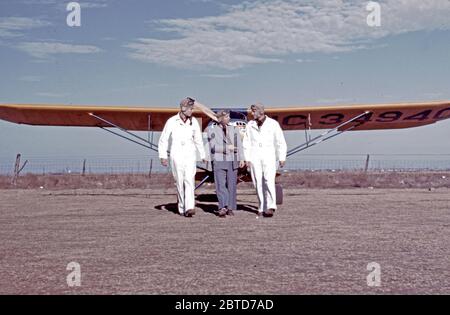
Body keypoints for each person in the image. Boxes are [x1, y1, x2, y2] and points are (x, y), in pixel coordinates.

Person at [158, 97, 206, 217]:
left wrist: (203, 155)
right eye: (190, 108)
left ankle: (190, 207)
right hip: (176, 154)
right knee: (179, 181)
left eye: (192, 108)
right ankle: (182, 207)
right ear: (183, 108)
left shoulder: (194, 121)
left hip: (190, 154)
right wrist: (163, 156)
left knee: (190, 180)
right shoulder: (172, 121)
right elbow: (163, 139)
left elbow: (198, 139)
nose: (192, 111)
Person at [243, 103, 287, 217]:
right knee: (257, 182)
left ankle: (271, 206)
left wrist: (282, 157)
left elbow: (280, 141)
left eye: (253, 111)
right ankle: (261, 206)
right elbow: (246, 143)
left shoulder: (273, 124)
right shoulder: (250, 125)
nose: (252, 113)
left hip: (269, 156)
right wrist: (247, 158)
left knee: (269, 180)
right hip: (254, 157)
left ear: (260, 111)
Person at [206, 110, 245, 217]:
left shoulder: (235, 129)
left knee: (232, 185)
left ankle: (230, 208)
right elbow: (213, 147)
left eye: (228, 116)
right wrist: (227, 148)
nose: (229, 118)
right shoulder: (211, 130)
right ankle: (222, 207)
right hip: (219, 161)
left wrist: (242, 159)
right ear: (220, 119)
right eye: (227, 117)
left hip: (233, 161)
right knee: (220, 185)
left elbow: (239, 145)